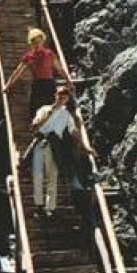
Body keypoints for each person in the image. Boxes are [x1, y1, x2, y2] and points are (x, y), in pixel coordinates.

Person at [29, 83, 94, 218]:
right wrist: (50, 113)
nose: (61, 99)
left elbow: (74, 132)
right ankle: (39, 206)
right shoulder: (44, 109)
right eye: (59, 96)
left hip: (54, 145)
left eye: (64, 97)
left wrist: (85, 146)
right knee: (38, 176)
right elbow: (34, 126)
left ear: (66, 99)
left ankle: (50, 208)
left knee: (52, 176)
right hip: (40, 141)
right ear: (55, 95)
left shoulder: (66, 114)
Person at [4, 28, 70, 120]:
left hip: (49, 84)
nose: (37, 44)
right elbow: (18, 72)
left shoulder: (49, 54)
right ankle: (36, 131)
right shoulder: (29, 56)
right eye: (35, 42)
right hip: (37, 85)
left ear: (42, 41)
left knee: (50, 109)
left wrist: (68, 81)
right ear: (31, 43)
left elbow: (60, 69)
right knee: (34, 110)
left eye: (39, 41)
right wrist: (8, 85)